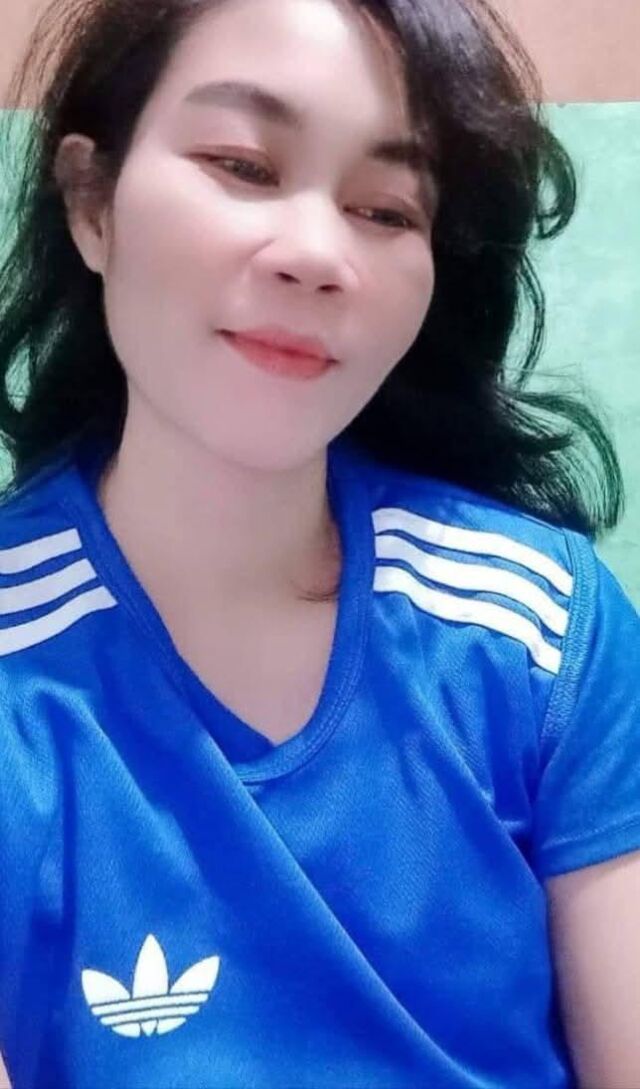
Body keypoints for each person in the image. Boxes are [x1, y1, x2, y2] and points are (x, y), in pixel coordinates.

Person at [0, 0, 638, 1084]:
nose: (315, 253)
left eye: (386, 209)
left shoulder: (542, 629)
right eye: (243, 165)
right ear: (91, 201)